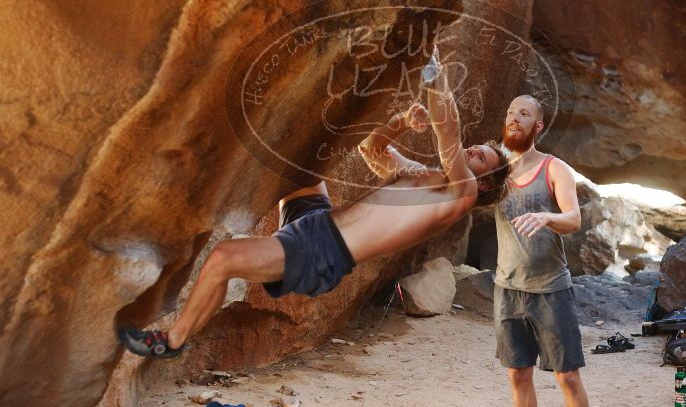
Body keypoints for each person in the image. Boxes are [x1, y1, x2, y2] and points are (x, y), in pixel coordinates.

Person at [118, 53, 511, 358]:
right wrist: (400, 123)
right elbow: (372, 149)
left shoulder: (460, 195)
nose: (473, 151)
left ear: (486, 181)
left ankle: (172, 340)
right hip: (316, 222)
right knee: (301, 162)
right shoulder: (424, 177)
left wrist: (433, 68)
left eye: (481, 159)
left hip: (323, 250)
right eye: (478, 149)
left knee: (222, 258)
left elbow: (448, 129)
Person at [494, 95, 592, 407]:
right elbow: (451, 183)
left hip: (551, 289)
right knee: (518, 374)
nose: (514, 118)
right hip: (508, 289)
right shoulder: (496, 172)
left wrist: (547, 217)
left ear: (538, 126)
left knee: (567, 377)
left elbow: (573, 219)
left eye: (523, 113)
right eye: (509, 112)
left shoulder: (554, 169)